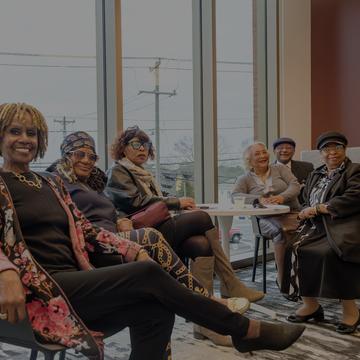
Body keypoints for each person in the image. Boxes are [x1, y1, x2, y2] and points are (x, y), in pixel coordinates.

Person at [0, 102, 305, 360]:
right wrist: (5, 270)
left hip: (77, 279)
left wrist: (133, 250)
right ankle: (242, 329)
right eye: (15, 131)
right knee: (145, 274)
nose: (24, 138)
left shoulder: (49, 183)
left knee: (154, 306)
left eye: (32, 132)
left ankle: (229, 322)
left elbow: (87, 231)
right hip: (38, 288)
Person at [47, 131, 249, 346]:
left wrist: (120, 218)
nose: (87, 160)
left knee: (199, 243)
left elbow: (112, 208)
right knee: (190, 221)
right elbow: (130, 204)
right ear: (65, 154)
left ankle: (208, 318)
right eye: (80, 154)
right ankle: (212, 300)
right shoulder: (60, 182)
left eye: (91, 156)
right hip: (102, 244)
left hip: (121, 235)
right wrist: (174, 202)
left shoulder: (93, 183)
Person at [104, 126, 264, 304]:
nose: (142, 148)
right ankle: (230, 283)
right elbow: (135, 202)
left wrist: (176, 204)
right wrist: (177, 202)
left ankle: (205, 309)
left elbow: (152, 201)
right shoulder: (118, 171)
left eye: (146, 144)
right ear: (123, 148)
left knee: (201, 244)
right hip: (142, 233)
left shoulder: (142, 174)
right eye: (136, 144)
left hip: (156, 226)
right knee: (201, 217)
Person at [286, 131, 360, 334]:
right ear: (321, 153)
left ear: (345, 150)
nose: (332, 152)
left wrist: (319, 209)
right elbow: (305, 199)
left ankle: (351, 310)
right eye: (326, 149)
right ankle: (311, 304)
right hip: (314, 226)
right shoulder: (315, 174)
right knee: (292, 247)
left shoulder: (354, 170)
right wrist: (304, 211)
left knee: (333, 252)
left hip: (343, 224)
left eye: (337, 147)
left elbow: (354, 197)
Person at [232, 142, 301, 289]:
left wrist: (282, 197)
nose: (263, 156)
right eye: (257, 154)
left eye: (264, 152)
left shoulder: (280, 168)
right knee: (281, 231)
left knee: (311, 229)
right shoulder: (244, 179)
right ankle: (284, 279)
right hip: (265, 218)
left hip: (292, 212)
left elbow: (295, 185)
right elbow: (235, 196)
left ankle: (306, 276)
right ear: (249, 160)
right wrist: (258, 199)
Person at [273, 137, 314, 204]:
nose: (284, 150)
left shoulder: (307, 167)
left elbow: (313, 190)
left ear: (294, 151)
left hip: (301, 209)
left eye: (288, 148)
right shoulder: (268, 170)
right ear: (274, 151)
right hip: (275, 207)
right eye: (280, 148)